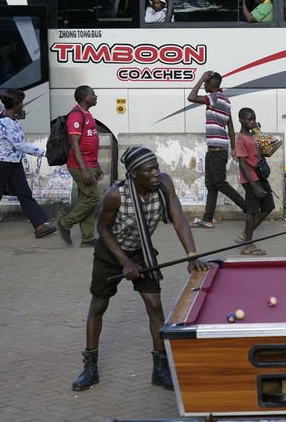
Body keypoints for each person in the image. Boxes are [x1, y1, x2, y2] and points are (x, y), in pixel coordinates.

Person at [71, 146, 205, 392]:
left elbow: (179, 219)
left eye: (157, 167)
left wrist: (192, 255)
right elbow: (102, 229)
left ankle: (160, 369)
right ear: (134, 173)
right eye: (149, 170)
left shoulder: (164, 184)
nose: (156, 173)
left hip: (141, 251)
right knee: (98, 307)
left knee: (155, 306)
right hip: (110, 254)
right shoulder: (115, 195)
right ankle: (90, 368)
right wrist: (125, 262)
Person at [0, 89, 57, 241]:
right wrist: (44, 153)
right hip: (1, 163)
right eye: (21, 102)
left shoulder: (5, 117)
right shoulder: (6, 122)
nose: (23, 105)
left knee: (24, 194)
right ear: (15, 104)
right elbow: (21, 145)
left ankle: (39, 226)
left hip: (10, 162)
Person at [187, 70, 247, 228]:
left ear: (212, 84)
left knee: (220, 183)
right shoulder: (226, 100)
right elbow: (231, 124)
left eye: (206, 83)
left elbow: (191, 97)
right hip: (215, 150)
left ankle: (249, 209)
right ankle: (207, 219)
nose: (204, 86)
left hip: (217, 150)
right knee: (211, 185)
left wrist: (200, 79)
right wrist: (233, 147)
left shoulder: (213, 98)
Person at [58, 85, 102, 248]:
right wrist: (84, 169)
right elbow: (75, 145)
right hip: (80, 166)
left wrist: (97, 165)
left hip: (90, 164)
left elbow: (90, 142)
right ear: (85, 98)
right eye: (93, 94)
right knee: (93, 197)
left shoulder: (87, 114)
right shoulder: (76, 116)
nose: (96, 96)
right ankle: (65, 223)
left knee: (86, 199)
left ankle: (87, 238)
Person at [234, 107, 274, 256]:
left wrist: (259, 134)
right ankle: (248, 246)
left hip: (260, 176)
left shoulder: (252, 135)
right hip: (250, 179)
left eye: (254, 119)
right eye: (249, 119)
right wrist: (253, 186)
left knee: (269, 206)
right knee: (252, 211)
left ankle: (246, 235)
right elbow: (242, 163)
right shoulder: (241, 139)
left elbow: (260, 152)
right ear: (241, 120)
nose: (252, 122)